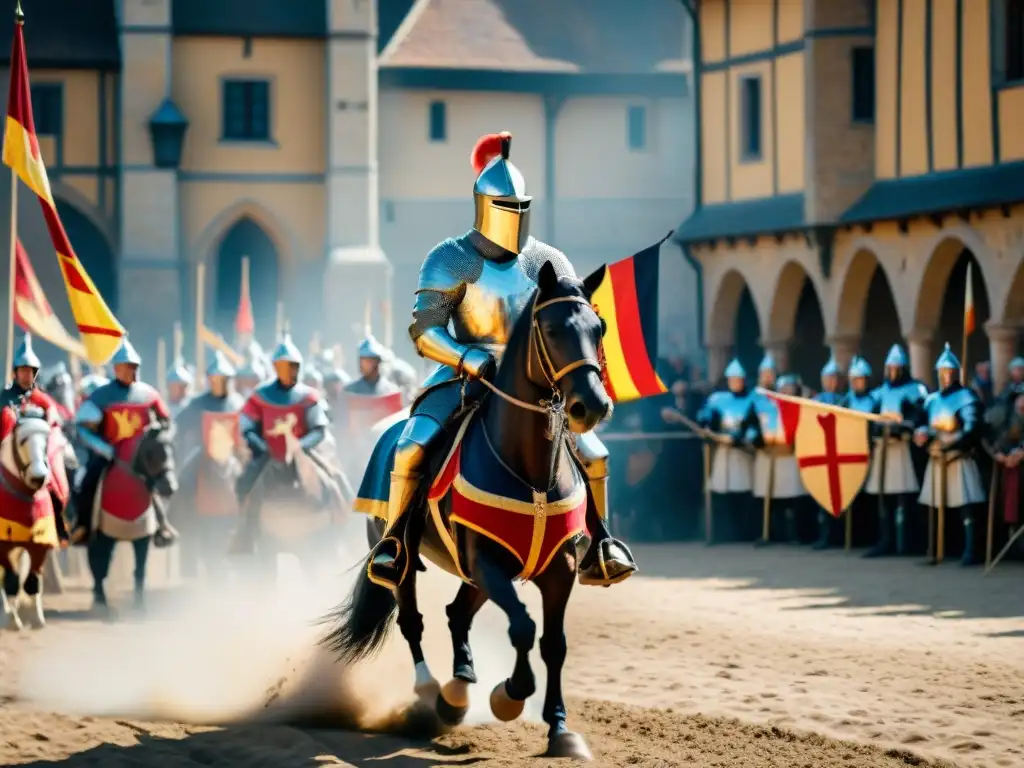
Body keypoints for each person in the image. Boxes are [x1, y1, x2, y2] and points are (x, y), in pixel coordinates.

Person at [364, 130, 637, 590]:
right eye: (508, 207)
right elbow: (425, 329)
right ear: (485, 204)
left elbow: (573, 319)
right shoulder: (452, 258)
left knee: (594, 452)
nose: (516, 216)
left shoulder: (549, 261)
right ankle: (395, 543)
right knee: (412, 446)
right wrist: (468, 357)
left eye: (521, 207)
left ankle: (599, 544)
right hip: (461, 374)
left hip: (536, 380)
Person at [231, 334, 332, 551]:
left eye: (295, 366)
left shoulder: (309, 396)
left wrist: (301, 446)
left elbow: (319, 429)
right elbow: (246, 426)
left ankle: (335, 528)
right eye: (287, 366)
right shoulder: (261, 395)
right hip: (267, 453)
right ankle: (245, 533)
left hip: (303, 453)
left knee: (333, 480)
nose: (292, 371)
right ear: (277, 367)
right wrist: (260, 446)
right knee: (244, 484)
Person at [70, 338, 172, 544]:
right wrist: (104, 448)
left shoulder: (149, 394)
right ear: (117, 369)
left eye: (134, 367)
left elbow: (166, 420)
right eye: (127, 367)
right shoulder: (101, 395)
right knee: (88, 480)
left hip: (142, 454)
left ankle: (163, 525)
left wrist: (158, 430)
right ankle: (84, 526)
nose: (131, 371)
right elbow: (82, 426)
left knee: (157, 479)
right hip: (110, 453)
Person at [173, 350, 246, 580]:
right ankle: (179, 521)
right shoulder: (197, 403)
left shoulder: (237, 402)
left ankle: (252, 523)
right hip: (203, 453)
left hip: (233, 455)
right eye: (215, 379)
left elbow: (247, 428)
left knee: (257, 479)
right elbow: (179, 427)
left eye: (222, 379)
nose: (218, 383)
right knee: (183, 480)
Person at [913, 344, 985, 565]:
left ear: (955, 374)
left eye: (949, 373)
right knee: (934, 506)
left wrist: (953, 441)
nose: (945, 377)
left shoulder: (966, 397)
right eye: (942, 373)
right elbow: (921, 423)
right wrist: (921, 433)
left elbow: (971, 427)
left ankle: (970, 550)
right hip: (936, 457)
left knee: (965, 506)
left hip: (957, 457)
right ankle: (934, 549)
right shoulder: (932, 400)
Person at [863, 344, 928, 557]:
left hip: (902, 450)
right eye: (889, 368)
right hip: (883, 449)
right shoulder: (879, 393)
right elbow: (870, 419)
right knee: (883, 498)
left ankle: (905, 542)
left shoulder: (915, 390)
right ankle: (885, 540)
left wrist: (902, 427)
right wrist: (876, 431)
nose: (892, 372)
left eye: (896, 368)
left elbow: (919, 417)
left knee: (904, 495)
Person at [695, 358, 757, 542]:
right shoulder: (717, 400)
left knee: (744, 491)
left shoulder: (752, 399)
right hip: (723, 452)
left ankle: (745, 534)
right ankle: (723, 534)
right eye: (732, 379)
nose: (735, 382)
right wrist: (706, 425)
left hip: (743, 452)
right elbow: (706, 417)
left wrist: (740, 437)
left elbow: (754, 423)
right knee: (721, 492)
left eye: (738, 379)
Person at [749, 353, 803, 545]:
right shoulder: (755, 398)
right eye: (764, 374)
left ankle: (793, 534)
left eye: (770, 373)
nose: (767, 377)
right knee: (768, 498)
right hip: (767, 453)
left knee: (791, 496)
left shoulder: (791, 402)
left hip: (788, 453)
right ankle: (769, 533)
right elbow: (751, 422)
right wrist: (754, 438)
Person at [809, 355, 845, 548]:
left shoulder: (845, 400)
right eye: (828, 378)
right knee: (822, 498)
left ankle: (839, 535)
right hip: (821, 455)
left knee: (840, 499)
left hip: (840, 456)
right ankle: (824, 535)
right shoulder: (815, 402)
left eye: (835, 378)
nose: (831, 382)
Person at [0, 334, 62, 425]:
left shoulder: (39, 394)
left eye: (29, 371)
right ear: (15, 373)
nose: (27, 374)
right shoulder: (5, 395)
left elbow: (54, 411)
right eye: (23, 370)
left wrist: (51, 416)